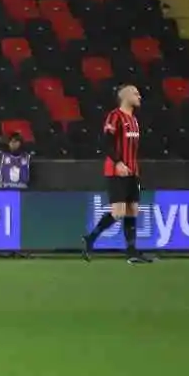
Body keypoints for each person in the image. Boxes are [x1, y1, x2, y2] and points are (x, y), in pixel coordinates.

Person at [82, 84, 152, 263]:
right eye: (135, 93)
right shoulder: (115, 116)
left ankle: (132, 252)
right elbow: (106, 142)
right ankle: (91, 239)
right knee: (118, 212)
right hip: (116, 170)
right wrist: (118, 162)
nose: (139, 96)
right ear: (125, 96)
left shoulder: (134, 120)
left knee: (132, 210)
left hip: (133, 171)